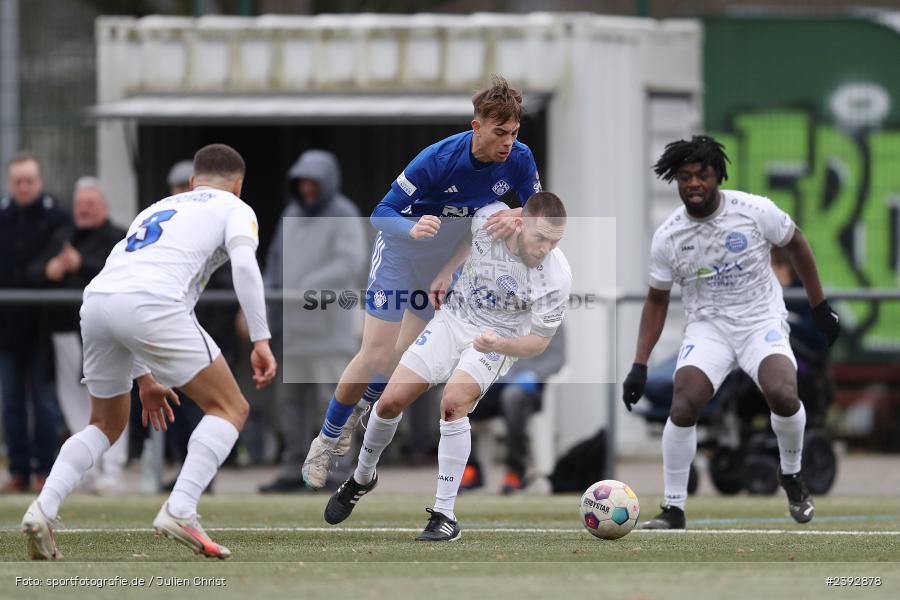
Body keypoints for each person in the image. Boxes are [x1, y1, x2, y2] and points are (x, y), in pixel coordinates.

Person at [21, 143, 277, 560]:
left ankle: (42, 509)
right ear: (239, 185)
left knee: (105, 424)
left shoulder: (160, 206)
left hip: (98, 302)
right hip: (151, 304)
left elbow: (126, 282)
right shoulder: (235, 207)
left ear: (191, 182)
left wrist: (145, 378)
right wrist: (261, 339)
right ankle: (181, 508)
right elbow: (245, 266)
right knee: (231, 408)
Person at [302, 74, 542, 489]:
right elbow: (380, 212)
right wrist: (410, 230)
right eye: (499, 133)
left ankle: (361, 410)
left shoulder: (519, 159)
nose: (508, 142)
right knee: (376, 354)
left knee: (400, 360)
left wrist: (516, 216)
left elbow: (540, 208)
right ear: (477, 127)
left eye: (514, 132)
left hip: (440, 268)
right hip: (399, 256)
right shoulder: (437, 159)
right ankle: (326, 438)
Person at [323, 192, 571, 541]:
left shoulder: (556, 276)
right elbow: (469, 237)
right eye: (540, 237)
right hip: (452, 320)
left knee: (452, 404)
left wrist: (501, 345)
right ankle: (362, 477)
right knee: (390, 400)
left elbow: (539, 343)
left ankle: (444, 515)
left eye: (554, 241)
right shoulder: (490, 220)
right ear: (520, 222)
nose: (546, 248)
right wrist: (447, 270)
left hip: (495, 340)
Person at [621, 135, 840, 529]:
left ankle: (790, 474)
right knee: (684, 401)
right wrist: (639, 365)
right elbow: (656, 301)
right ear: (676, 181)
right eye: (685, 177)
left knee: (783, 394)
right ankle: (673, 508)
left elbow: (798, 244)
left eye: (702, 175)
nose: (693, 184)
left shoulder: (755, 211)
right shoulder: (668, 237)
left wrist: (819, 306)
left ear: (716, 176)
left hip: (761, 322)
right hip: (709, 328)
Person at [258, 149, 366, 492]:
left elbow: (349, 262)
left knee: (332, 401)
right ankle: (293, 468)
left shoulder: (344, 214)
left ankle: (336, 470)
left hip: (329, 329)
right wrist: (264, 300)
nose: (306, 189)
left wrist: (305, 287)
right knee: (290, 406)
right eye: (301, 182)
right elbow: (273, 262)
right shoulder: (291, 213)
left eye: (312, 182)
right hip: (292, 330)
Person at [48, 177, 128, 494]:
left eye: (90, 204)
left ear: (104, 207)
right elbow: (37, 269)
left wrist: (80, 264)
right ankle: (88, 467)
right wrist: (50, 268)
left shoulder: (119, 236)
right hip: (65, 328)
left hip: (106, 330)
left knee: (113, 396)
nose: (84, 210)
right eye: (80, 204)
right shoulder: (63, 234)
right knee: (72, 400)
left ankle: (115, 467)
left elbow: (118, 272)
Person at [0, 153, 70, 493]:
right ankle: (18, 472)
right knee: (10, 404)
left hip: (42, 327)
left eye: (29, 181)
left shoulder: (56, 217)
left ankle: (46, 471)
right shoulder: (3, 217)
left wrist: (39, 272)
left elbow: (54, 260)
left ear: (39, 182)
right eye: (18, 182)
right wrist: (40, 272)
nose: (23, 187)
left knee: (44, 405)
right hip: (7, 329)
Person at [461, 325, 566, 493]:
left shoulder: (552, 314)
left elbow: (557, 358)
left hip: (527, 389)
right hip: (496, 380)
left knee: (512, 397)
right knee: (457, 397)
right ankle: (471, 469)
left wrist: (534, 375)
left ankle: (515, 472)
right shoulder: (500, 306)